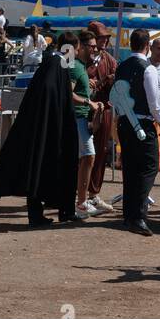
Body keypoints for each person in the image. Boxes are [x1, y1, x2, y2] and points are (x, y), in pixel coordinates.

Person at [0, 43, 79, 226]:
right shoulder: (59, 65)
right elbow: (65, 93)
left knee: (35, 172)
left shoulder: (49, 68)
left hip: (38, 132)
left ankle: (38, 213)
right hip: (49, 132)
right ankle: (46, 213)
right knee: (38, 171)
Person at [114, 28, 160, 235]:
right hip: (142, 122)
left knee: (131, 168)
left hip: (124, 121)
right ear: (146, 46)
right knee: (150, 166)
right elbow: (154, 102)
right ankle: (138, 213)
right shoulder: (148, 69)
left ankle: (129, 214)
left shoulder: (121, 66)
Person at [64, 30, 105, 219]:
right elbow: (68, 93)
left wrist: (87, 87)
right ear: (81, 47)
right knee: (88, 156)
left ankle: (80, 201)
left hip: (81, 118)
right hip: (77, 117)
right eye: (92, 46)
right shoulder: (74, 67)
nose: (95, 49)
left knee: (86, 158)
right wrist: (89, 102)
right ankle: (81, 203)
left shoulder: (80, 66)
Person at [86, 20, 117, 209]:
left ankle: (93, 194)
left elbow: (118, 81)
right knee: (81, 154)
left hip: (103, 110)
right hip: (83, 110)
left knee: (99, 154)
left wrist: (114, 79)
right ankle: (76, 194)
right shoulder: (79, 57)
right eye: (101, 37)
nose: (104, 40)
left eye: (106, 37)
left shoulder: (109, 59)